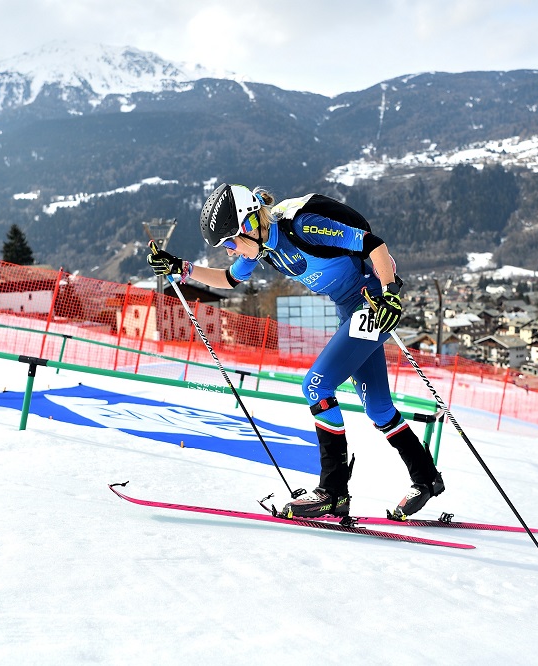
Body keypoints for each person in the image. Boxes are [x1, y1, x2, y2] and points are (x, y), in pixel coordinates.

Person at [147, 183, 443, 520]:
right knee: (378, 408)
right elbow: (229, 279)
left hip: (372, 303)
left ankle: (332, 492)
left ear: (249, 224)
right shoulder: (263, 249)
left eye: (230, 242)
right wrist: (179, 267)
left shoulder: (302, 226)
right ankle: (427, 478)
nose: (230, 251)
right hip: (350, 310)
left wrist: (390, 294)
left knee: (316, 386)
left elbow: (374, 246)